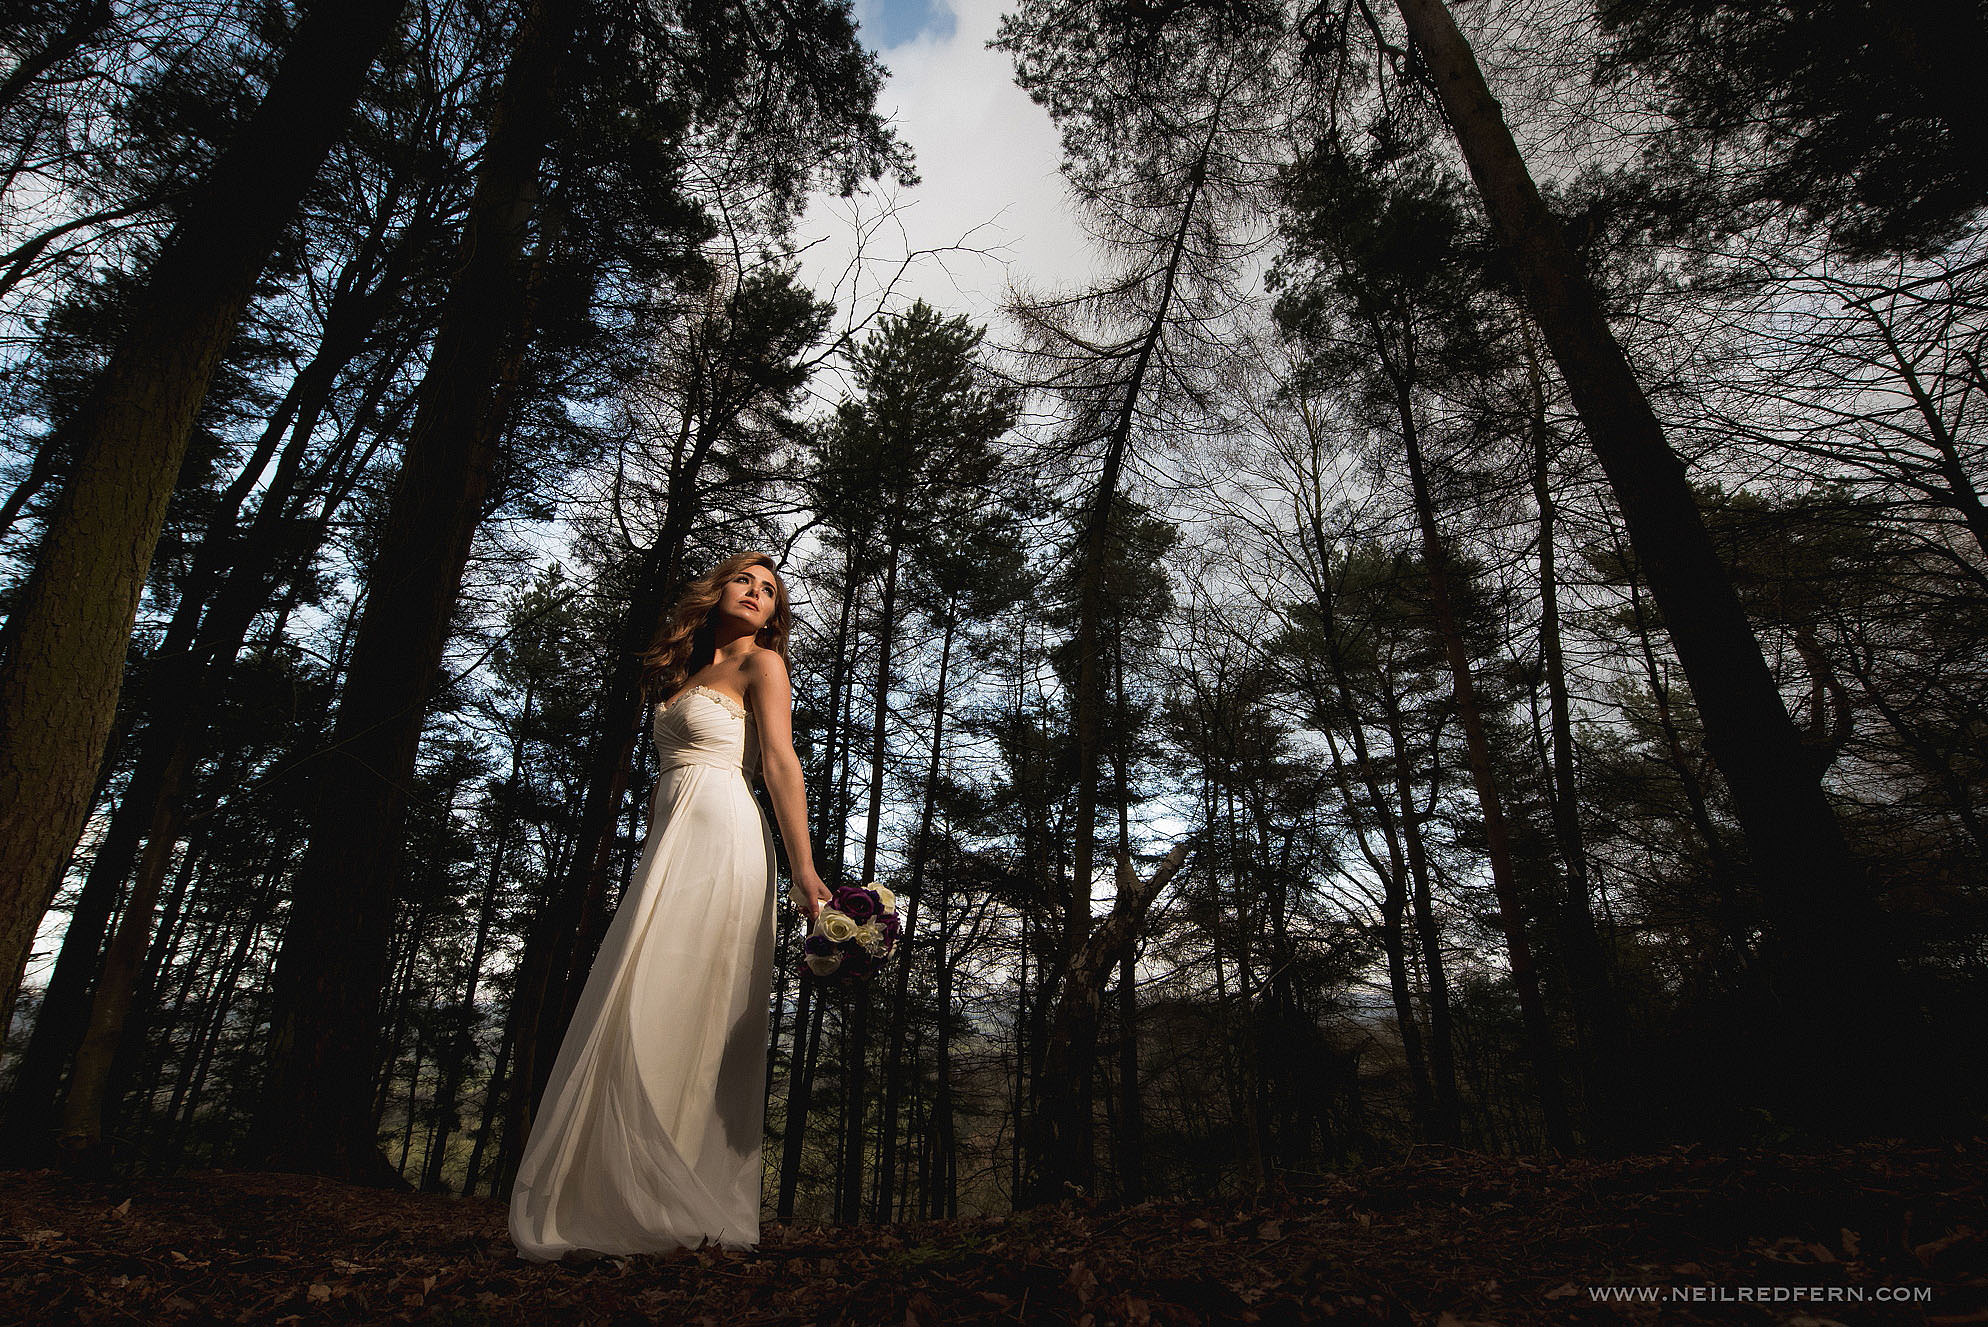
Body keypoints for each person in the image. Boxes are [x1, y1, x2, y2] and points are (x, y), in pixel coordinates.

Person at [509, 551, 832, 1260]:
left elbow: (780, 763)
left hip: (724, 837)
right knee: (639, 996)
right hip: (671, 843)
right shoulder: (688, 673)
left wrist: (805, 869)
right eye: (745, 579)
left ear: (775, 615)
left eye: (769, 589)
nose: (756, 592)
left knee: (694, 1003)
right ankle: (624, 1195)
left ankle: (676, 1199)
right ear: (718, 590)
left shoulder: (762, 666)